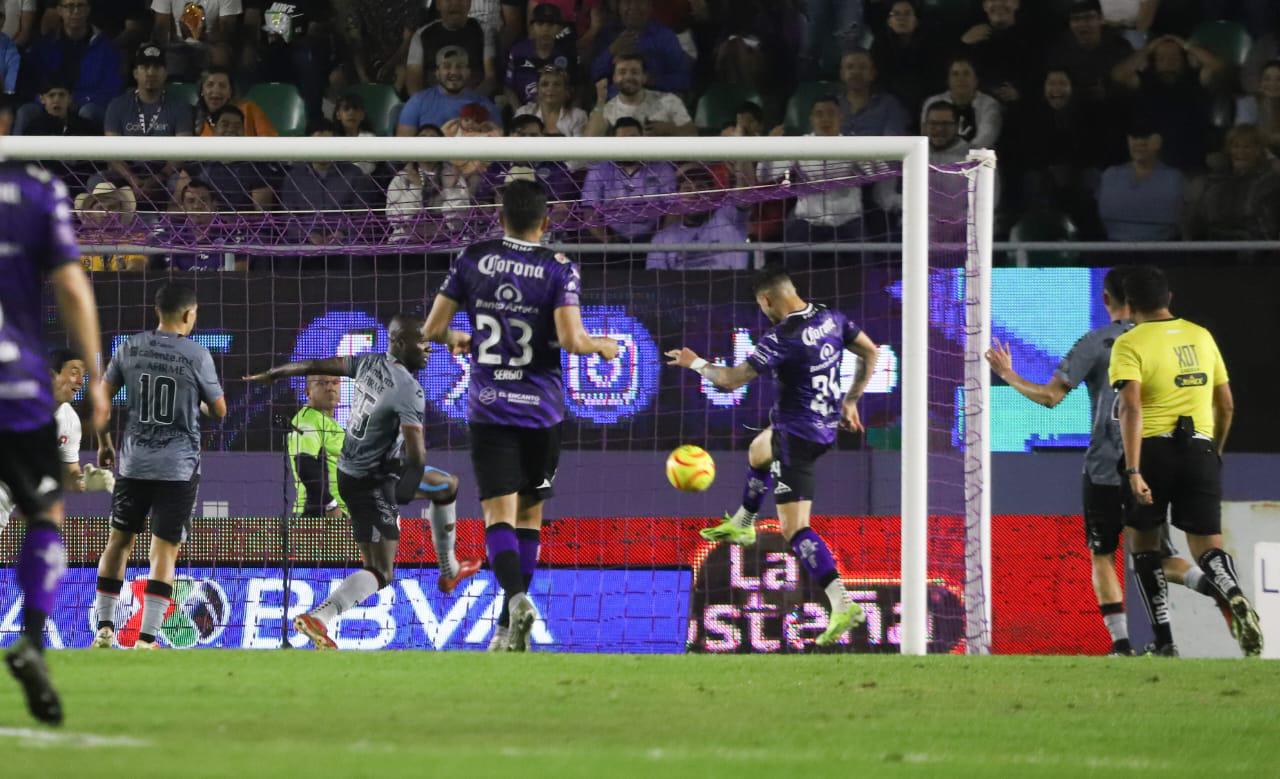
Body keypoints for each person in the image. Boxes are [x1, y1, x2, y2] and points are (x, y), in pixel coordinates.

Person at [423, 179, 619, 651]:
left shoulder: (472, 257)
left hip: (490, 407)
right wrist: (603, 345)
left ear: (500, 215)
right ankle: (509, 625)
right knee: (530, 515)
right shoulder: (559, 267)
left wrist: (455, 340)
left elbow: (432, 328)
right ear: (545, 222)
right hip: (543, 411)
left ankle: (512, 606)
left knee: (497, 515)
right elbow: (573, 342)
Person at [986, 267, 1223, 656]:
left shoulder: (1097, 342)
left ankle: (1122, 644)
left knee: (1103, 554)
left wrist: (1008, 373)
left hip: (1105, 467)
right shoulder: (1167, 341)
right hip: (1152, 464)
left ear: (1107, 300)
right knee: (1154, 557)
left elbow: (1050, 398)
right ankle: (1211, 592)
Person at [666, 265, 878, 648]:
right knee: (757, 448)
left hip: (797, 437)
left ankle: (842, 603)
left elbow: (730, 381)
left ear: (766, 300)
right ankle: (744, 522)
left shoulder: (782, 337)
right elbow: (870, 350)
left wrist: (694, 362)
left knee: (794, 529)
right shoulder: (830, 316)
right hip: (819, 424)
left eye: (761, 305)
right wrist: (851, 400)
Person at [245, 315, 481, 649]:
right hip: (373, 482)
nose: (429, 348)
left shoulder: (368, 363)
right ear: (399, 342)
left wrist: (278, 372)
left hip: (357, 472)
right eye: (421, 341)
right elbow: (416, 457)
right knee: (381, 572)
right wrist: (398, 494)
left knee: (446, 486)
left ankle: (450, 569)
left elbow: (317, 362)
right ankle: (320, 617)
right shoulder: (408, 390)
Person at [0, 96, 108, 724]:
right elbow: (71, 284)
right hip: (15, 388)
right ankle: (34, 639)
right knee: (45, 513)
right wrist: (94, 376)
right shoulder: (37, 189)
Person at [1109, 265, 1262, 657]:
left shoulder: (1130, 343)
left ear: (1129, 305)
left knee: (1144, 547)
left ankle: (1164, 642)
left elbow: (1130, 406)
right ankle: (1233, 593)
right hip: (1200, 449)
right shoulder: (1201, 335)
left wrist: (1133, 468)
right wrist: (1215, 451)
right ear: (1169, 298)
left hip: (1153, 452)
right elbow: (1225, 404)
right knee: (1207, 546)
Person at [91, 283, 227, 651]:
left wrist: (105, 446)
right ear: (189, 314)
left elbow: (100, 401)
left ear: (157, 312)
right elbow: (219, 410)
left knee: (118, 542)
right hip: (177, 469)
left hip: (133, 464)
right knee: (163, 552)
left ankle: (104, 629)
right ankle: (147, 638)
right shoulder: (197, 355)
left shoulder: (130, 346)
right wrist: (195, 405)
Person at [102, 43, 194, 204]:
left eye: (157, 67)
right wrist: (132, 179)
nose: (151, 72)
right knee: (99, 182)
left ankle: (175, 228)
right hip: (127, 173)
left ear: (165, 73)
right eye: (145, 67)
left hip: (165, 173)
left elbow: (182, 152)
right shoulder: (117, 105)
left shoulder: (180, 106)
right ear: (135, 73)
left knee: (181, 183)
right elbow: (111, 153)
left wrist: (158, 178)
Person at [20, 0, 124, 118]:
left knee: (88, 111)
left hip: (88, 106)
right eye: (69, 6)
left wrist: (78, 100)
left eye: (80, 6)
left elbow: (111, 90)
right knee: (26, 112)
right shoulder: (44, 45)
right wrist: (46, 100)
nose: (75, 11)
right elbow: (31, 84)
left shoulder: (106, 47)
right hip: (50, 104)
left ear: (88, 9)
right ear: (59, 10)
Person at [581, 117, 677, 243]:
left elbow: (673, 207)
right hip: (611, 239)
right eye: (622, 141)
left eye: (633, 139)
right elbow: (589, 210)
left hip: (653, 238)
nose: (627, 145)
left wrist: (661, 239)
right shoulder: (599, 170)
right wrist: (607, 240)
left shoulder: (662, 168)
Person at [1182, 124, 1280, 241]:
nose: (1240, 152)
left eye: (1247, 147)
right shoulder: (1213, 179)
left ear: (1258, 150)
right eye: (1235, 146)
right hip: (1211, 250)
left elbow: (1268, 229)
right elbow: (1197, 221)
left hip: (1253, 251)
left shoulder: (1270, 182)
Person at [646, 163, 748, 270]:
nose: (694, 194)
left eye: (700, 187)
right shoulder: (662, 239)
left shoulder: (728, 217)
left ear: (711, 194)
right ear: (677, 197)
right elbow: (655, 281)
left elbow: (744, 190)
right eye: (687, 189)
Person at [1096, 121, 1185, 241]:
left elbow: (1179, 220)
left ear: (1158, 141)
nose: (1139, 142)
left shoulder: (1173, 178)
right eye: (1134, 137)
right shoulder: (1111, 175)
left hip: (1162, 251)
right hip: (1114, 250)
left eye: (1146, 137)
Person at [589, 0, 691, 95]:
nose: (634, 7)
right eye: (627, 2)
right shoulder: (607, 34)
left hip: (657, 104)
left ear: (650, 6)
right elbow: (593, 75)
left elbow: (684, 80)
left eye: (640, 1)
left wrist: (652, 80)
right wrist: (612, 51)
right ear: (619, 7)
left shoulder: (664, 36)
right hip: (616, 106)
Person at [396, 46, 501, 136]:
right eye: (446, 66)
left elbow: (497, 150)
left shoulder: (485, 105)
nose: (454, 72)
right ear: (437, 73)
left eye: (460, 66)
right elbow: (402, 152)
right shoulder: (417, 102)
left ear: (468, 72)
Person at [585, 53, 694, 137]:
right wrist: (600, 100)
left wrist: (669, 129)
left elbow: (693, 135)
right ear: (614, 78)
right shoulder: (607, 109)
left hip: (662, 164)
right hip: (621, 165)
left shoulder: (669, 101)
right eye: (622, 72)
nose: (628, 77)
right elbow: (589, 143)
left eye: (635, 72)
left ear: (644, 77)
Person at [406, 0, 495, 95]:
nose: (455, 3)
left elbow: (491, 78)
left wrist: (468, 103)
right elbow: (413, 80)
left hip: (473, 104)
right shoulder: (421, 35)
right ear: (438, 4)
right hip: (431, 105)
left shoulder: (484, 31)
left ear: (469, 4)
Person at [288, 375, 346, 519]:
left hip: (341, 515)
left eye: (335, 382)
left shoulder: (333, 424)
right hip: (318, 515)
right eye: (322, 383)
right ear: (308, 392)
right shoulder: (308, 419)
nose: (330, 387)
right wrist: (330, 504)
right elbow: (304, 463)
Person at [922, 56, 1002, 150]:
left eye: (966, 74)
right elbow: (926, 138)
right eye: (955, 74)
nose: (961, 79)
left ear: (976, 80)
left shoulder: (989, 105)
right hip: (939, 159)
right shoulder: (933, 102)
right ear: (948, 80)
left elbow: (985, 140)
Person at [505, 4, 575, 108]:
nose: (545, 29)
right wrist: (519, 113)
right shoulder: (518, 51)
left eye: (551, 24)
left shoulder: (567, 54)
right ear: (532, 27)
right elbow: (508, 89)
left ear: (560, 28)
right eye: (540, 23)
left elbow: (576, 89)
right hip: (524, 112)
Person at [836, 49, 908, 137]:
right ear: (842, 74)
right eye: (850, 67)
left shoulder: (889, 105)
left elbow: (893, 144)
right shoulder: (832, 105)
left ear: (873, 73)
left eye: (863, 67)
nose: (856, 72)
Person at [195, 66, 276, 137]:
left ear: (230, 92)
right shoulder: (194, 119)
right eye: (210, 85)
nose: (216, 90)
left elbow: (271, 143)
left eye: (222, 86)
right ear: (202, 90)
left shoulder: (249, 109)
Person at [514, 66, 587, 137]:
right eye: (545, 84)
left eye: (557, 84)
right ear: (537, 90)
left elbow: (579, 148)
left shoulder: (578, 116)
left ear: (566, 91)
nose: (550, 88)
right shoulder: (523, 112)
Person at [23, 77, 100, 135]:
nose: (57, 99)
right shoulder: (33, 129)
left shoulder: (85, 127)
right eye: (51, 95)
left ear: (70, 98)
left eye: (62, 95)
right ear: (42, 99)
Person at [1235, 59, 1280, 157]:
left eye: (1279, 80)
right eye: (1267, 79)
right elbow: (1244, 137)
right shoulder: (1248, 103)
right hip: (1255, 154)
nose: (1272, 84)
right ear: (1260, 82)